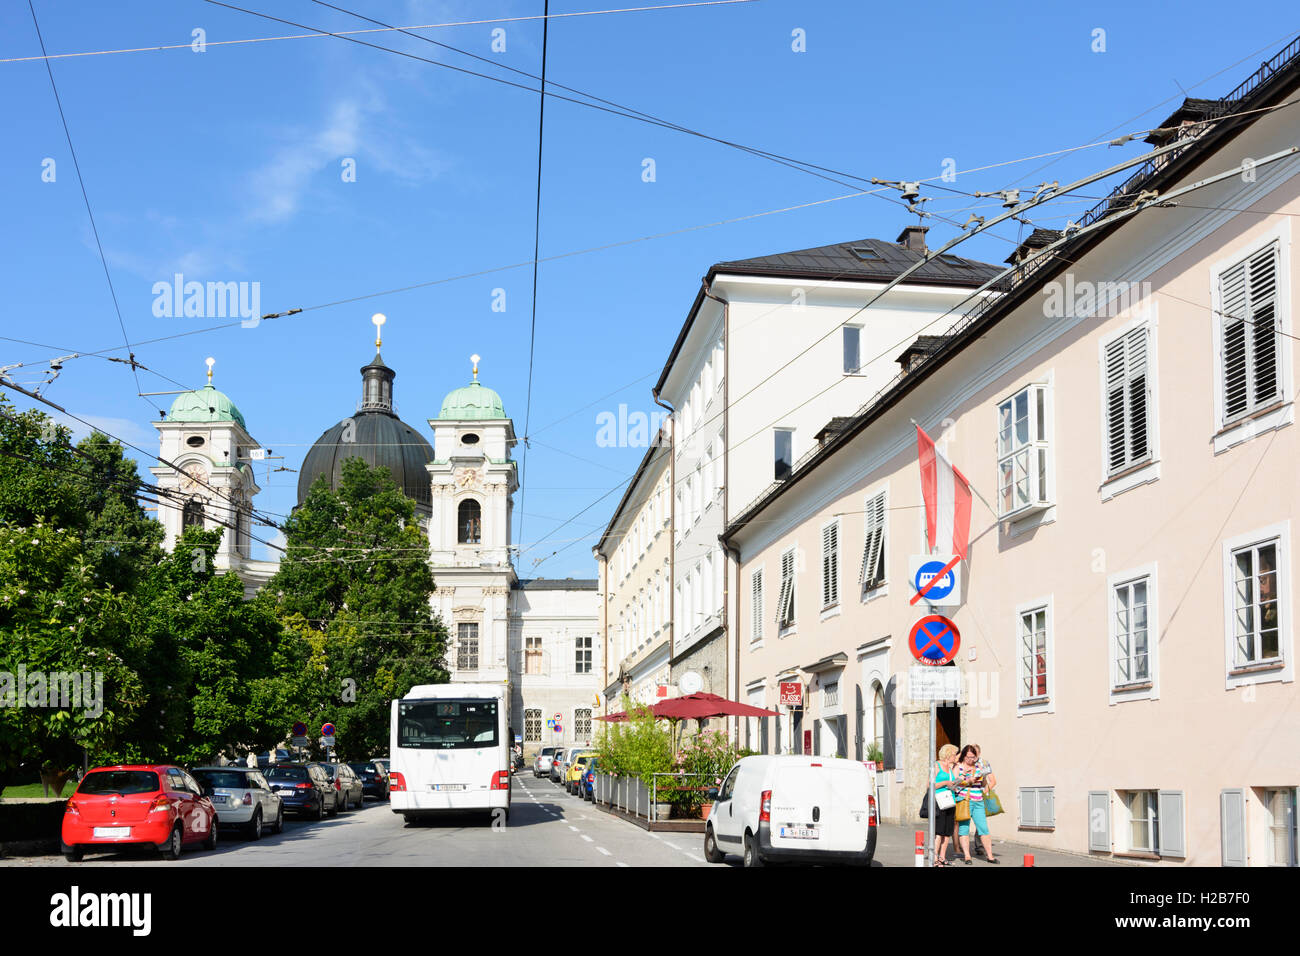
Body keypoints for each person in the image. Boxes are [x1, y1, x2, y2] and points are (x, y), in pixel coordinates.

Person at [954, 744, 999, 863]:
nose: (971, 760)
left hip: (978, 799)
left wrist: (985, 787)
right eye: (968, 757)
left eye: (973, 757)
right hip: (964, 800)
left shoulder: (980, 765)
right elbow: (953, 784)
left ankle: (990, 856)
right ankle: (967, 856)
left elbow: (987, 782)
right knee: (964, 828)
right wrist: (967, 781)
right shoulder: (958, 766)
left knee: (983, 828)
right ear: (963, 756)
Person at [932, 744, 959, 867]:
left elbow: (951, 783)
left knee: (948, 831)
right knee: (939, 831)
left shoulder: (951, 767)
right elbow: (930, 785)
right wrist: (945, 782)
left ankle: (942, 857)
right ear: (948, 754)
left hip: (950, 801)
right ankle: (934, 858)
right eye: (954, 754)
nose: (956, 756)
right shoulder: (936, 765)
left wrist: (955, 784)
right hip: (940, 801)